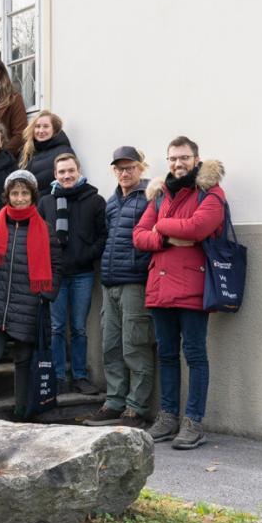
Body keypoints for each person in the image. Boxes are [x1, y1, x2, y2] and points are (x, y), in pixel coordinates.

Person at [133, 136, 226, 450]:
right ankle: (168, 417)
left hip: (193, 287)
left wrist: (162, 227)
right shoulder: (159, 195)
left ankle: (193, 422)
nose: (177, 163)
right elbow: (139, 236)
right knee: (168, 355)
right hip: (159, 287)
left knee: (195, 355)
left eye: (184, 158)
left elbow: (199, 228)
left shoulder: (210, 193)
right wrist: (168, 237)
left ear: (196, 160)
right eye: (172, 158)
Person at [0, 170, 60, 419]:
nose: (19, 198)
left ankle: (20, 408)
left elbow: (57, 265)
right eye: (14, 193)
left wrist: (47, 294)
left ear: (32, 196)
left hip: (29, 304)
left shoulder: (44, 229)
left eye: (24, 193)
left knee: (24, 360)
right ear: (7, 195)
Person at [84, 146, 154, 428]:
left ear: (141, 168)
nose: (125, 173)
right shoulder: (111, 202)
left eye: (130, 168)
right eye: (120, 168)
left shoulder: (151, 197)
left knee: (134, 346)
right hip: (110, 282)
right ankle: (114, 402)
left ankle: (136, 408)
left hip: (135, 283)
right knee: (110, 345)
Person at [38, 153, 106, 395]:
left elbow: (102, 237)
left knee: (78, 327)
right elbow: (37, 238)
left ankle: (79, 375)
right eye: (62, 172)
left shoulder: (95, 200)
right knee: (56, 327)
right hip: (55, 276)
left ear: (78, 171)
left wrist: (85, 254)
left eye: (71, 171)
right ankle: (57, 376)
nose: (66, 176)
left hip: (82, 275)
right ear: (55, 175)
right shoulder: (46, 202)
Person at [20, 111, 75, 189]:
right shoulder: (27, 151)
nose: (41, 131)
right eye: (37, 126)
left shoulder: (64, 152)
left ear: (54, 130)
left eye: (46, 126)